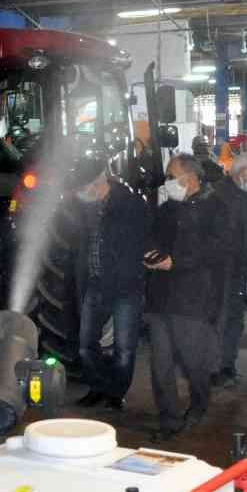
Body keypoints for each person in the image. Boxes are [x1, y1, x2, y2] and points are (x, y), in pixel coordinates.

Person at [143, 155, 228, 438]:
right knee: (160, 363)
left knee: (193, 361)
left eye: (171, 176)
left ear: (190, 177)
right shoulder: (167, 209)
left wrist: (176, 261)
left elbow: (216, 251)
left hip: (192, 299)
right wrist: (151, 255)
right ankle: (169, 419)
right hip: (160, 296)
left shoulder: (215, 208)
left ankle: (200, 405)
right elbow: (153, 237)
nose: (166, 182)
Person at [69, 159, 151, 411]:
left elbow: (140, 244)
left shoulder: (131, 205)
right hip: (94, 284)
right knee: (85, 346)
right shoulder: (86, 209)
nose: (81, 193)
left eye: (84, 187)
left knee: (124, 348)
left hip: (126, 287)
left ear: (98, 182)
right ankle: (98, 386)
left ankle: (116, 393)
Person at [212, 153, 247, 386]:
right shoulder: (224, 198)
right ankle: (220, 368)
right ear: (243, 173)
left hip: (233, 271)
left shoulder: (237, 196)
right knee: (226, 320)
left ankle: (223, 366)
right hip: (224, 273)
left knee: (230, 320)